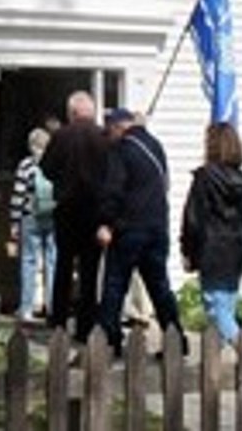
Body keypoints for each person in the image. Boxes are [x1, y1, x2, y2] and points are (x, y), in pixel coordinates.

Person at [95, 108, 186, 358]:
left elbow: (114, 190)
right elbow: (165, 184)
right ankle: (176, 339)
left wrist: (106, 222)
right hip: (157, 228)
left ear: (117, 127)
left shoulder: (122, 150)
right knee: (160, 287)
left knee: (114, 286)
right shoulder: (156, 146)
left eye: (109, 131)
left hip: (128, 230)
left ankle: (108, 340)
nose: (108, 137)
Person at [39, 91, 109, 342]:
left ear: (72, 112)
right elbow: (112, 171)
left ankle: (58, 322)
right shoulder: (104, 137)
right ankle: (85, 326)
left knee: (63, 267)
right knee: (90, 272)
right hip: (95, 211)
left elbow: (46, 168)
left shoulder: (61, 136)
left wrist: (62, 179)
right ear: (90, 111)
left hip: (67, 209)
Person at [179, 121, 242, 349]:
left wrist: (187, 250)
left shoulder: (205, 178)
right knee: (227, 306)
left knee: (216, 309)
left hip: (213, 248)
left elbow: (194, 219)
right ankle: (217, 371)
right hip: (239, 247)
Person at [8, 123, 58, 323]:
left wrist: (14, 221)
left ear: (31, 145)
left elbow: (18, 195)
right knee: (52, 262)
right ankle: (53, 307)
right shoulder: (56, 163)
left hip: (31, 217)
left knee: (29, 261)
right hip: (52, 217)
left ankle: (27, 308)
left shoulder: (26, 165)